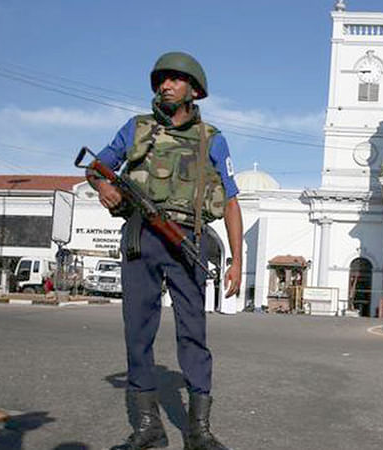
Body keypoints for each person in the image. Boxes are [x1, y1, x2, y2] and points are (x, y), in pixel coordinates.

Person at [86, 51, 241, 450]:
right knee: (138, 331)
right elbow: (96, 166)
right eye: (161, 80)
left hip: (188, 238)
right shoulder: (137, 129)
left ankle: (198, 433)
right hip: (141, 237)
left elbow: (230, 201)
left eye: (174, 79)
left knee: (194, 333)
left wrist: (238, 261)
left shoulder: (212, 139)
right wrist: (104, 187)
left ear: (194, 90)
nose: (165, 86)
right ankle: (147, 430)